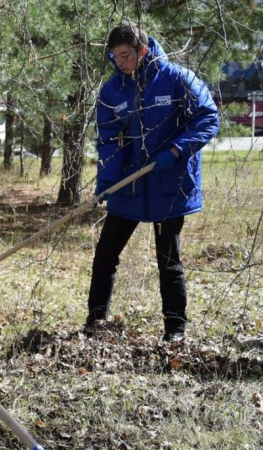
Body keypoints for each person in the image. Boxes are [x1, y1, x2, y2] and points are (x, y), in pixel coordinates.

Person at [86, 19, 219, 342]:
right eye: (115, 56)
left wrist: (176, 150)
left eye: (125, 55)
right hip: (129, 187)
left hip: (168, 185)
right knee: (105, 256)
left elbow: (208, 117)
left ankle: (175, 331)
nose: (120, 62)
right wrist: (107, 180)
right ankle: (95, 323)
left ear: (142, 50)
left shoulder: (176, 79)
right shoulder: (113, 91)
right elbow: (109, 139)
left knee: (168, 260)